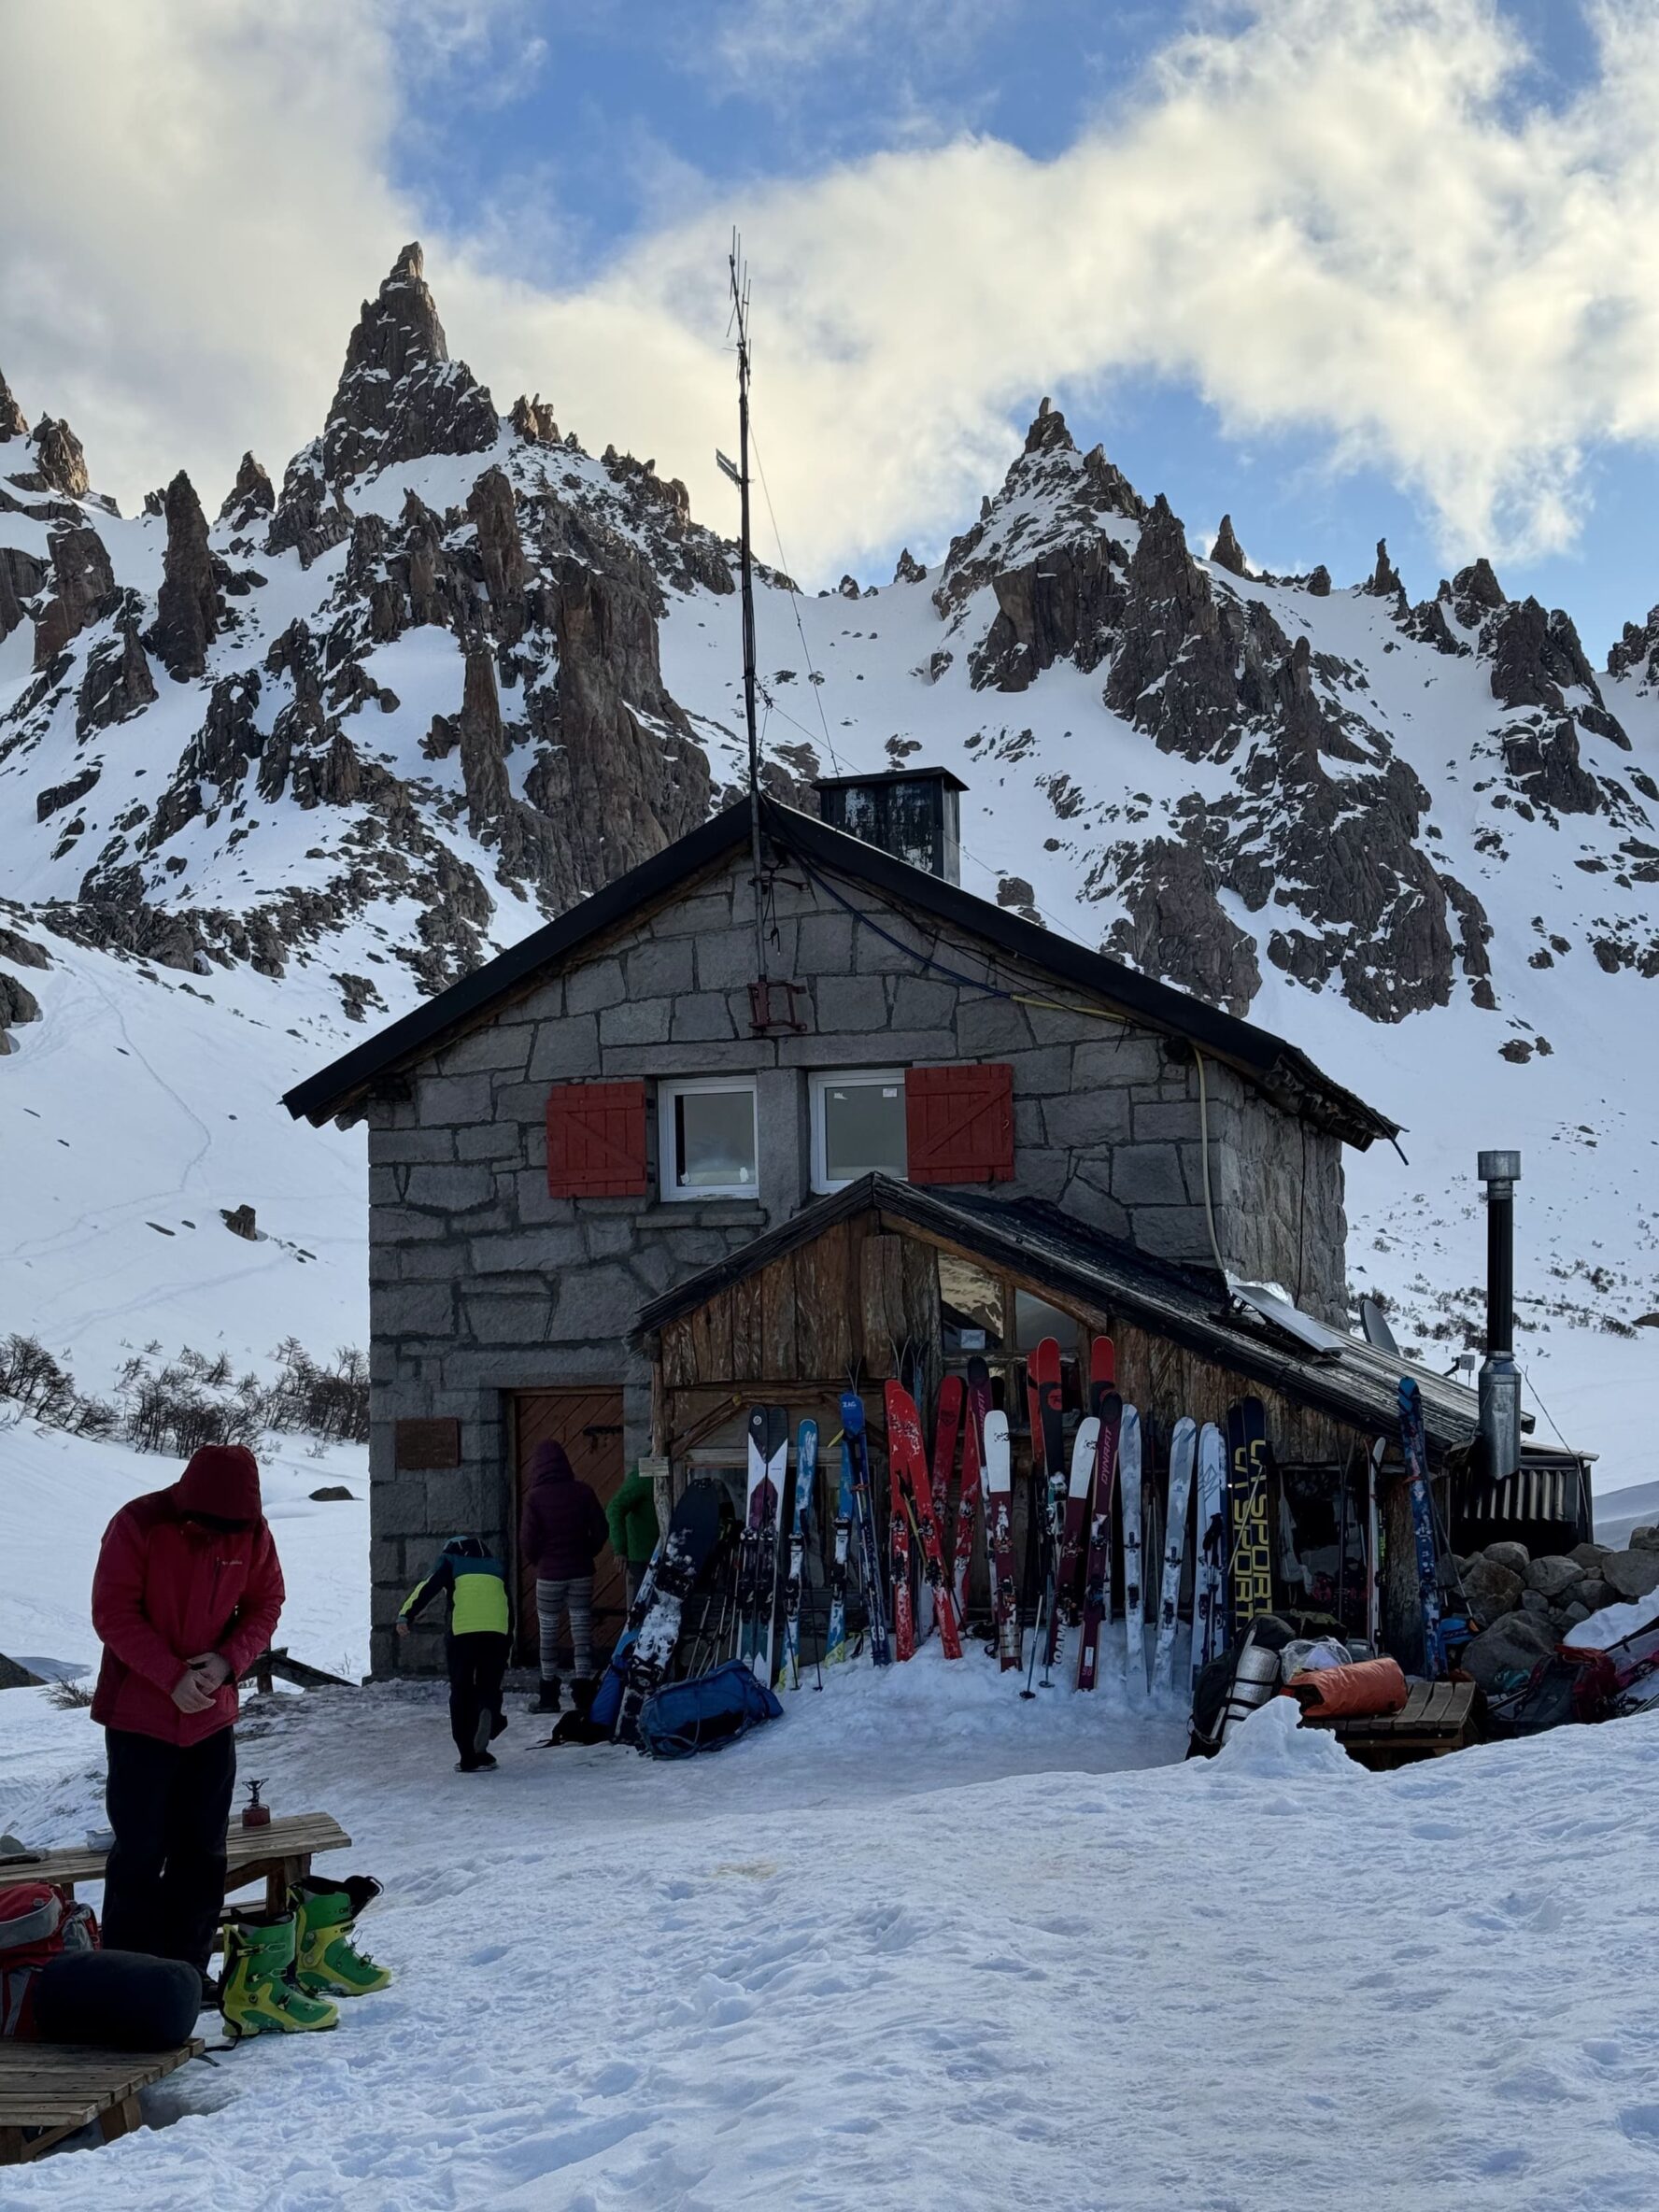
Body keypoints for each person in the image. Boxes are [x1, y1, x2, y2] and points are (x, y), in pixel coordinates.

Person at [90, 1441, 284, 1991]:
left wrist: (229, 1660)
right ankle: (126, 1981)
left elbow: (267, 1601)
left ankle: (188, 1977)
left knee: (202, 1853)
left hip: (211, 1718)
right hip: (139, 1718)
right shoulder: (139, 1523)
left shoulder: (252, 1529)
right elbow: (113, 1612)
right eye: (214, 1526)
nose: (227, 1537)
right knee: (139, 1852)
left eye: (236, 1527)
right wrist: (170, 1677)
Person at [397, 1537, 511, 1772]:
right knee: (489, 1686)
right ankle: (487, 1720)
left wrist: (405, 1615)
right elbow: (508, 1604)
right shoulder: (496, 1566)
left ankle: (468, 1755)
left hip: (464, 1633)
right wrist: (508, 1640)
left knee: (461, 1689)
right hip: (497, 1631)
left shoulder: (450, 1560)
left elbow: (428, 1586)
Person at [518, 1440, 608, 1715]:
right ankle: (583, 1692)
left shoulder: (535, 1498)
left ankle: (548, 1696)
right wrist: (587, 1552)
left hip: (549, 1575)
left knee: (548, 1635)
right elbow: (601, 1530)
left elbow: (527, 1541)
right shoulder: (583, 1492)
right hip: (581, 1572)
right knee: (581, 1633)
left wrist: (540, 1562)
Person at [606, 1462, 661, 1611]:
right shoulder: (644, 1475)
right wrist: (620, 1549)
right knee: (642, 1611)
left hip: (665, 1554)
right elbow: (614, 1508)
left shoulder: (669, 1469)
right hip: (644, 1558)